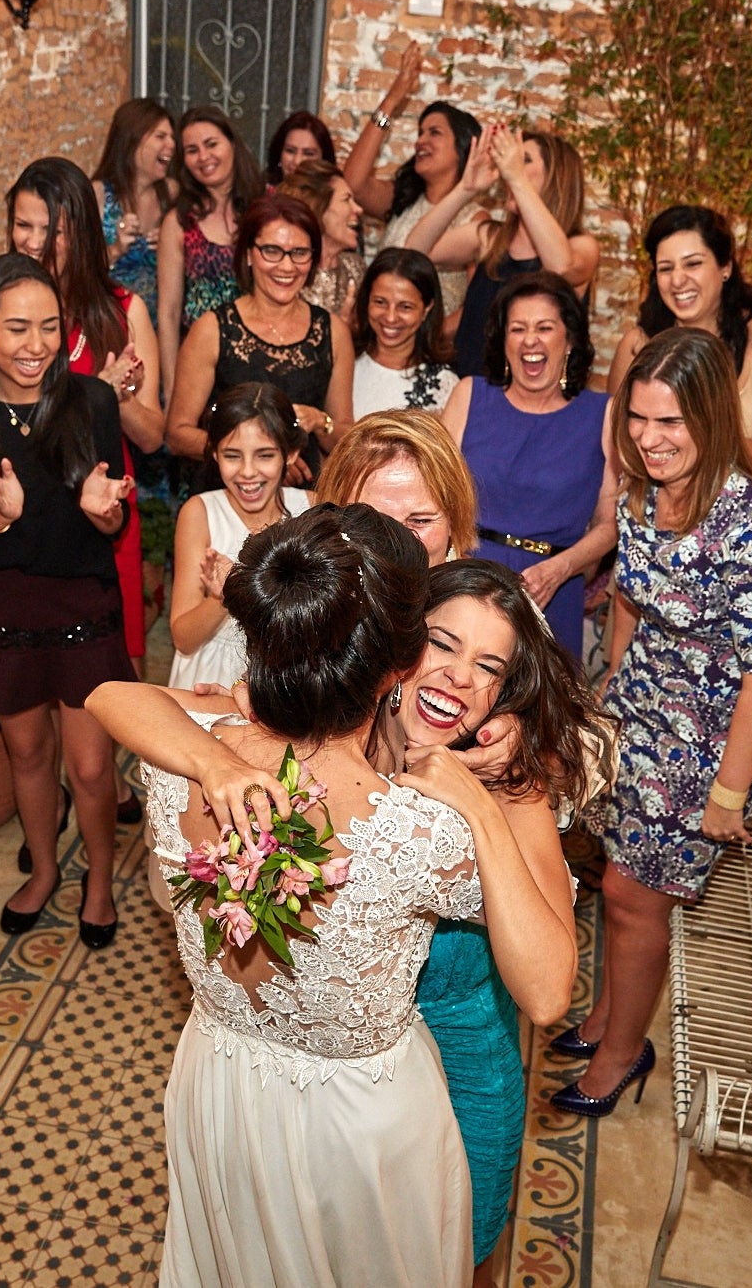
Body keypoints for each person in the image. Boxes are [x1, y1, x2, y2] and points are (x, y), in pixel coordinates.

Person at [96, 505, 496, 1286]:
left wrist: (215, 759)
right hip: (360, 1131)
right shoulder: (423, 832)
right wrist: (498, 795)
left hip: (218, 1085)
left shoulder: (177, 763)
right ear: (399, 665)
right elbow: (547, 974)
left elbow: (113, 695)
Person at [553, 328, 752, 1116]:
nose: (649, 438)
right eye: (638, 418)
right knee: (616, 871)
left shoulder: (747, 522)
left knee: (633, 894)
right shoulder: (641, 490)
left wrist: (728, 795)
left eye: (670, 422)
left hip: (715, 735)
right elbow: (631, 590)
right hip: (645, 701)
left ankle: (623, 1051)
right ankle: (607, 1014)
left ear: (711, 416)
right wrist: (613, 681)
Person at [0, 254, 136, 943]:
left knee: (92, 765)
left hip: (80, 601)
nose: (36, 345)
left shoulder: (91, 402)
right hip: (3, 605)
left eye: (49, 327)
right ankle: (43, 870)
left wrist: (105, 510)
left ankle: (98, 881)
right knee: (27, 755)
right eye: (17, 328)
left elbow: (113, 520)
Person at [7, 156, 159, 826]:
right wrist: (90, 388)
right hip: (28, 518)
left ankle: (102, 779)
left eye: (51, 229)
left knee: (109, 669)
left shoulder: (123, 311)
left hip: (104, 521)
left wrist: (114, 397)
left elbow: (152, 433)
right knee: (33, 664)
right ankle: (51, 799)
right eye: (22, 225)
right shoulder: (1, 310)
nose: (33, 242)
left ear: (82, 231)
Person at [442, 272, 615, 658]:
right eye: (517, 328)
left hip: (553, 591)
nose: (530, 340)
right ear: (503, 341)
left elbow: (610, 524)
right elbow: (435, 495)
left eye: (544, 327)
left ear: (569, 339)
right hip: (467, 580)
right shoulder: (469, 395)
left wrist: (562, 568)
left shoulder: (602, 414)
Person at [605, 204, 752, 485]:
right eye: (666, 268)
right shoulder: (637, 345)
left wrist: (707, 441)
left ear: (725, 267)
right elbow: (616, 446)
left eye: (693, 264)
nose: (678, 280)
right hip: (657, 505)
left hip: (743, 508)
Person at [164, 196, 353, 484]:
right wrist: (257, 457)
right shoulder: (212, 329)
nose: (287, 266)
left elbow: (346, 440)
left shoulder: (332, 331)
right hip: (227, 492)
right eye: (272, 251)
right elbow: (177, 434)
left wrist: (320, 421)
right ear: (249, 254)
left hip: (304, 499)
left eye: (299, 253)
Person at [411, 124, 599, 380]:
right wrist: (465, 189)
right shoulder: (491, 238)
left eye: (524, 160)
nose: (509, 168)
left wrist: (517, 179)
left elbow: (560, 267)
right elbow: (413, 253)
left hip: (533, 392)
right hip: (469, 387)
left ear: (556, 177)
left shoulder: (581, 246)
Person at [166, 383, 310, 691]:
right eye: (232, 455)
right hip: (208, 676)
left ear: (291, 453)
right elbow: (184, 639)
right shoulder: (200, 513)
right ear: (214, 453)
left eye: (264, 455)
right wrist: (222, 597)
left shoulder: (310, 509)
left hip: (285, 682)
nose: (247, 471)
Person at [342, 41, 484, 316]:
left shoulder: (474, 220)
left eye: (434, 133)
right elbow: (354, 184)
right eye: (420, 133)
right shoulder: (403, 200)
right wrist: (393, 99)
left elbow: (475, 303)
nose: (421, 141)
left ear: (462, 148)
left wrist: (438, 334)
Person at [155, 106, 266, 386]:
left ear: (233, 144)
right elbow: (169, 312)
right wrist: (172, 386)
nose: (203, 157)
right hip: (199, 365)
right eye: (192, 150)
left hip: (261, 359)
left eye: (211, 144)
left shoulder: (267, 208)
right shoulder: (178, 222)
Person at [312, 406, 477, 563]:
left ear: (453, 519)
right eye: (372, 521)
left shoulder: (485, 584)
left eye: (420, 521)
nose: (398, 545)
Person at [349, 246, 458, 419]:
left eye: (405, 307)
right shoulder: (342, 359)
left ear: (427, 309)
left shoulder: (445, 385)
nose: (390, 317)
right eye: (380, 302)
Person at [91, 97, 175, 320]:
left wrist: (173, 244)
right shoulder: (98, 194)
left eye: (172, 137)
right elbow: (75, 270)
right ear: (133, 139)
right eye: (161, 136)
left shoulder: (171, 194)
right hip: (108, 323)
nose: (172, 145)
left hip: (157, 327)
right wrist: (115, 249)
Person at [276, 161, 366, 322]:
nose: (358, 209)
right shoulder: (286, 274)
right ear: (319, 209)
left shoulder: (355, 268)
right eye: (346, 200)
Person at [264, 110, 337, 185]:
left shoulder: (338, 189)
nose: (297, 161)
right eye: (290, 151)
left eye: (308, 154)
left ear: (324, 159)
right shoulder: (262, 190)